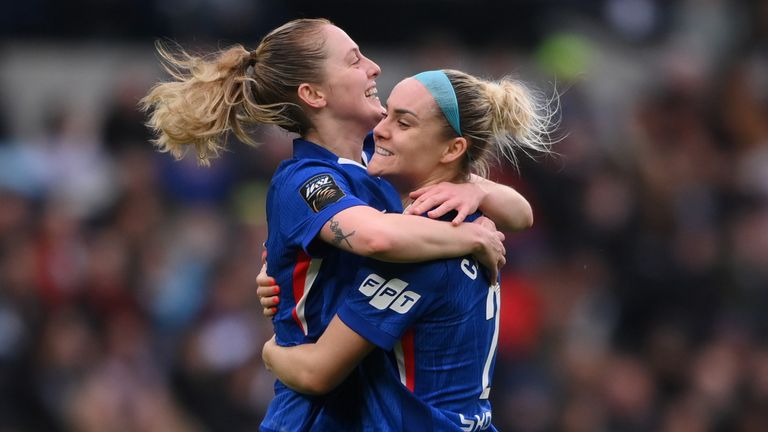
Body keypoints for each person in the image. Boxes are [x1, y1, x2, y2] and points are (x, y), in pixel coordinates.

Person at [141, 18, 536, 432]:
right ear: (313, 94)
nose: (374, 67)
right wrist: (469, 234)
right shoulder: (305, 179)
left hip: (364, 405)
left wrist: (477, 192)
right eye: (354, 60)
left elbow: (520, 213)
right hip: (314, 414)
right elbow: (374, 237)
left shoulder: (379, 160)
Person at [260, 69, 553, 431]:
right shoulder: (468, 217)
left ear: (452, 149)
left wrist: (271, 350)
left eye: (404, 122)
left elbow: (318, 371)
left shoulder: (418, 249)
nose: (381, 130)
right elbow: (522, 214)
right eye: (387, 114)